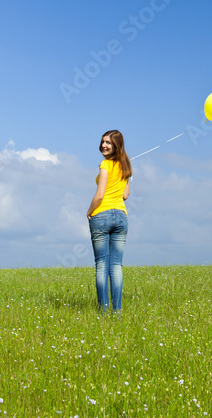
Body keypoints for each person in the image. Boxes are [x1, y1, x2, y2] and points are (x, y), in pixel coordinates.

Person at [87, 130, 132, 312]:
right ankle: (117, 311)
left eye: (109, 143)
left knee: (102, 265)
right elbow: (125, 195)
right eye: (103, 141)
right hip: (121, 216)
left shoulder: (105, 165)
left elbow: (100, 195)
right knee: (116, 265)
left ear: (116, 146)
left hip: (101, 215)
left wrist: (89, 212)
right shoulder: (125, 167)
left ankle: (103, 312)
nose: (104, 145)